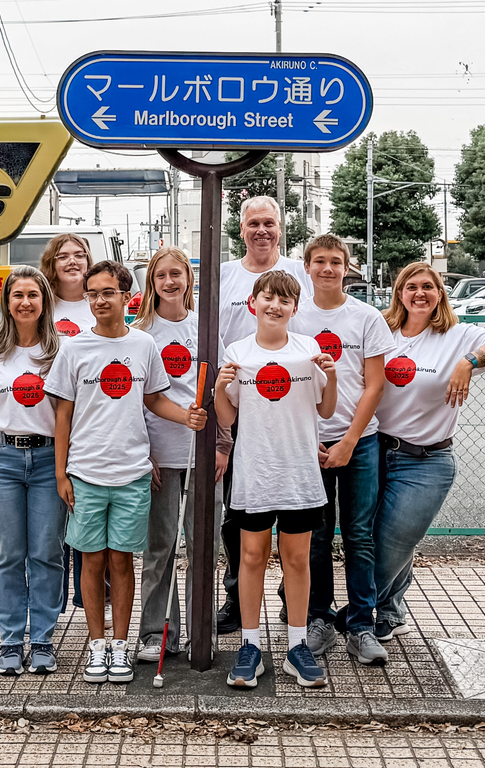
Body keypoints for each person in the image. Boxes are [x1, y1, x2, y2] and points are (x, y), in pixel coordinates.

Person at [44, 260, 207, 685]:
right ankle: (96, 646)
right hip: (85, 473)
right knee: (91, 561)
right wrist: (62, 473)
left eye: (107, 293)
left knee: (123, 561)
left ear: (125, 296)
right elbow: (63, 415)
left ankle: (120, 646)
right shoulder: (74, 348)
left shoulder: (143, 345)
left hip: (133, 473)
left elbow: (155, 400)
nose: (99, 300)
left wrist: (186, 416)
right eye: (92, 293)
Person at [369, 263, 485, 643]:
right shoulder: (380, 331)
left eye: (428, 287)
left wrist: (469, 361)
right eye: (411, 286)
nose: (420, 293)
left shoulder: (456, 334)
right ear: (398, 292)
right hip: (373, 450)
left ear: (440, 295)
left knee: (396, 539)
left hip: (426, 460)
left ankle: (361, 605)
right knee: (370, 536)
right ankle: (388, 611)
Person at [215, 270, 337, 689]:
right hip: (254, 472)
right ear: (253, 303)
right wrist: (218, 389)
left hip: (299, 472)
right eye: (267, 297)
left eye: (284, 300)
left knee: (297, 559)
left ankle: (297, 646)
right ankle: (250, 646)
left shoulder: (310, 350)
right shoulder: (238, 351)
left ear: (294, 308)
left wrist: (332, 374)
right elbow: (228, 418)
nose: (275, 306)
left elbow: (325, 410)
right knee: (250, 557)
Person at [288, 234, 395, 667]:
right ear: (307, 267)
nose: (328, 269)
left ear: (347, 267)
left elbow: (376, 383)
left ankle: (361, 624)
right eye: (320, 262)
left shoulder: (366, 317)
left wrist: (350, 438)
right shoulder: (295, 319)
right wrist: (305, 438)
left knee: (359, 536)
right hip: (307, 442)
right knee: (313, 535)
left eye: (336, 262)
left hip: (361, 441)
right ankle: (318, 619)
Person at [0, 265, 66, 677]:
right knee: (7, 555)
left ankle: (41, 639)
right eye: (17, 295)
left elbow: (66, 415)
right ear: (6, 301)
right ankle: (10, 641)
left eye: (33, 295)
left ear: (44, 302)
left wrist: (64, 468)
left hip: (47, 460)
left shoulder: (59, 352)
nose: (25, 302)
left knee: (46, 552)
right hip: (1, 459)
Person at [216, 195, 313, 635]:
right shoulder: (224, 276)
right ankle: (237, 601)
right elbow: (213, 338)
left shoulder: (298, 275)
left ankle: (297, 617)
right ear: (241, 230)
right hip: (240, 410)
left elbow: (307, 345)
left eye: (269, 223)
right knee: (240, 523)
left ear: (280, 228)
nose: (261, 230)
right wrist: (221, 427)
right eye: (253, 223)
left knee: (300, 537)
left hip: (289, 417)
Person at [130, 247, 229, 662]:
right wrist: (143, 452)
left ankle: (201, 632)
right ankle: (158, 633)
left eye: (177, 274)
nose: (169, 282)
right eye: (160, 275)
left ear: (189, 279)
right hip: (159, 454)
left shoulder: (204, 329)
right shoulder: (140, 333)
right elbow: (133, 399)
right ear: (150, 282)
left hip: (202, 455)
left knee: (203, 549)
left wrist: (223, 442)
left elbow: (222, 390)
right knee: (160, 550)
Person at [39, 233, 103, 622]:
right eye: (63, 256)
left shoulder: (99, 302)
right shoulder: (42, 305)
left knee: (88, 519)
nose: (73, 262)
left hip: (91, 428)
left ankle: (91, 600)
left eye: (80, 255)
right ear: (52, 263)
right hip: (45, 424)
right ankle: (51, 606)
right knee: (51, 527)